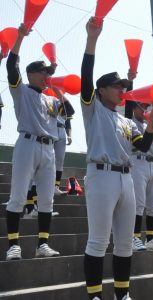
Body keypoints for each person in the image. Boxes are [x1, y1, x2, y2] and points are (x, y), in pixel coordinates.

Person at [81, 17, 153, 300]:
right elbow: (86, 76)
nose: (120, 89)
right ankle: (94, 295)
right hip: (101, 174)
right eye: (115, 86)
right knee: (98, 241)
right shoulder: (92, 109)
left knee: (125, 244)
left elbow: (143, 146)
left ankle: (121, 294)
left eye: (121, 86)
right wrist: (92, 40)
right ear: (101, 90)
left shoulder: (125, 122)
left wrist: (152, 119)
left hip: (126, 177)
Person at [4, 24, 64, 261]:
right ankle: (13, 245)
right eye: (44, 73)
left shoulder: (49, 99)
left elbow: (67, 111)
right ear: (31, 74)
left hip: (48, 148)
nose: (47, 76)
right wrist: (19, 38)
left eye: (48, 73)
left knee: (47, 199)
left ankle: (43, 244)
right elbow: (11, 66)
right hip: (27, 144)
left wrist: (58, 89)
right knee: (18, 196)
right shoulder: (21, 90)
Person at [130, 100, 153, 252]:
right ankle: (134, 238)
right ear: (133, 108)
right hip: (137, 161)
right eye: (141, 107)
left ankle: (150, 239)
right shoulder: (130, 122)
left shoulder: (148, 125)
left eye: (146, 107)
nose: (144, 109)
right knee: (138, 204)